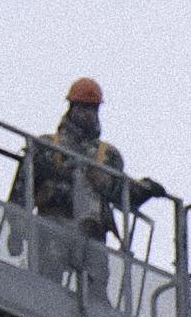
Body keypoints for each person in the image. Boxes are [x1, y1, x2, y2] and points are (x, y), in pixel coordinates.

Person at [13, 78, 157, 296]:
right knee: (46, 288)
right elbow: (21, 190)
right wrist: (15, 230)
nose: (88, 113)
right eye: (83, 107)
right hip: (53, 224)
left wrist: (147, 189)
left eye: (93, 108)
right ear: (72, 108)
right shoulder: (47, 146)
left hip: (92, 232)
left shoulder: (108, 155)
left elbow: (123, 193)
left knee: (97, 295)